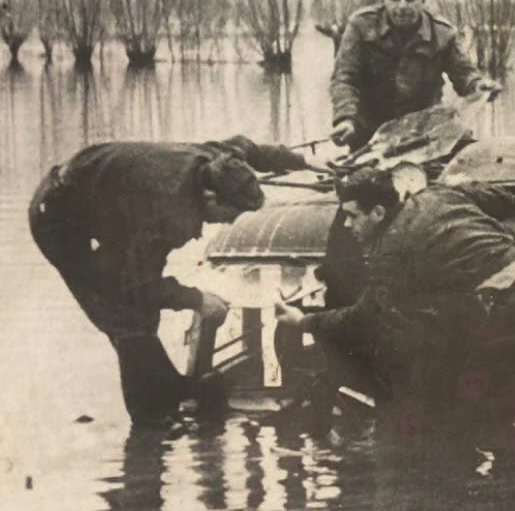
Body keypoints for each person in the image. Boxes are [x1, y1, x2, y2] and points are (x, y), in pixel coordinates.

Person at [29, 136, 312, 423]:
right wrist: (197, 300)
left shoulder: (217, 162)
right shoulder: (167, 209)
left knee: (139, 315)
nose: (229, 223)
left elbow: (250, 148)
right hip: (59, 217)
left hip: (103, 198)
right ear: (211, 198)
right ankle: (151, 416)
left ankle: (166, 399)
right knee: (121, 312)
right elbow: (139, 286)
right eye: (230, 214)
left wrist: (303, 162)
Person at [274, 168, 515, 454]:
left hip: (503, 316)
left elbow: (364, 318)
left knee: (467, 420)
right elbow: (503, 199)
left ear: (378, 213)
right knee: (489, 418)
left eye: (353, 215)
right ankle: (512, 485)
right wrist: (458, 184)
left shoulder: (392, 249)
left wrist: (304, 321)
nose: (347, 225)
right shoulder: (439, 194)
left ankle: (484, 489)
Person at [329, 0, 502, 150]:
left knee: (466, 156)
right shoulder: (361, 26)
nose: (402, 5)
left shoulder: (442, 34)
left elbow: (464, 75)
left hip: (424, 135)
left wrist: (479, 86)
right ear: (384, 0)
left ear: (423, 0)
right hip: (370, 137)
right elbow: (344, 79)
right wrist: (345, 119)